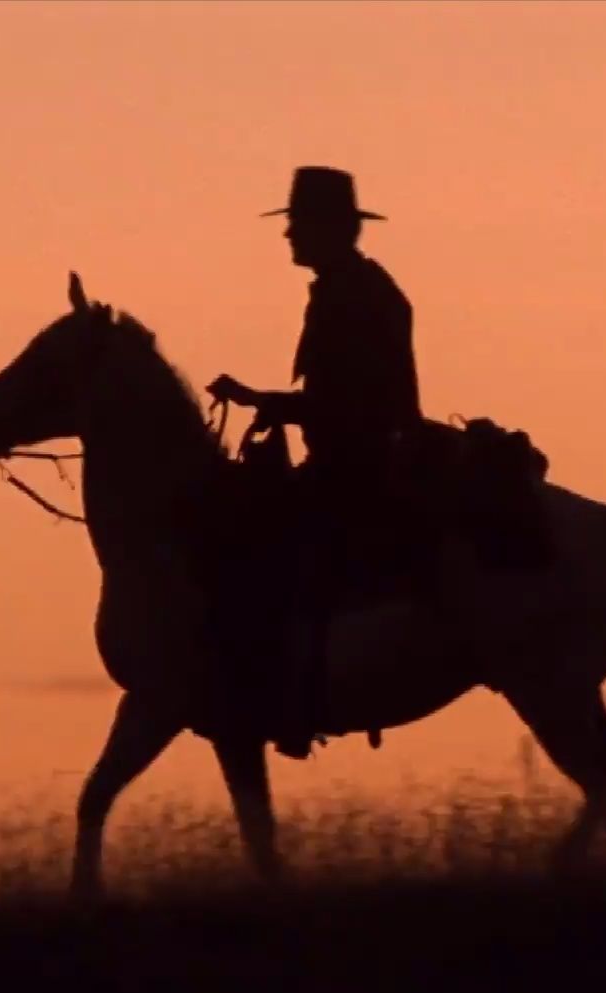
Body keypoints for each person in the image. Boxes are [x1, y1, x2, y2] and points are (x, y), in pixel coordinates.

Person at [207, 166, 426, 757]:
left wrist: (266, 403)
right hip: (354, 456)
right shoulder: (350, 288)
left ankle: (295, 702)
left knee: (272, 555)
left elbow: (353, 401)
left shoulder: (355, 295)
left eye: (297, 224)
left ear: (328, 228)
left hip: (357, 465)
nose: (288, 236)